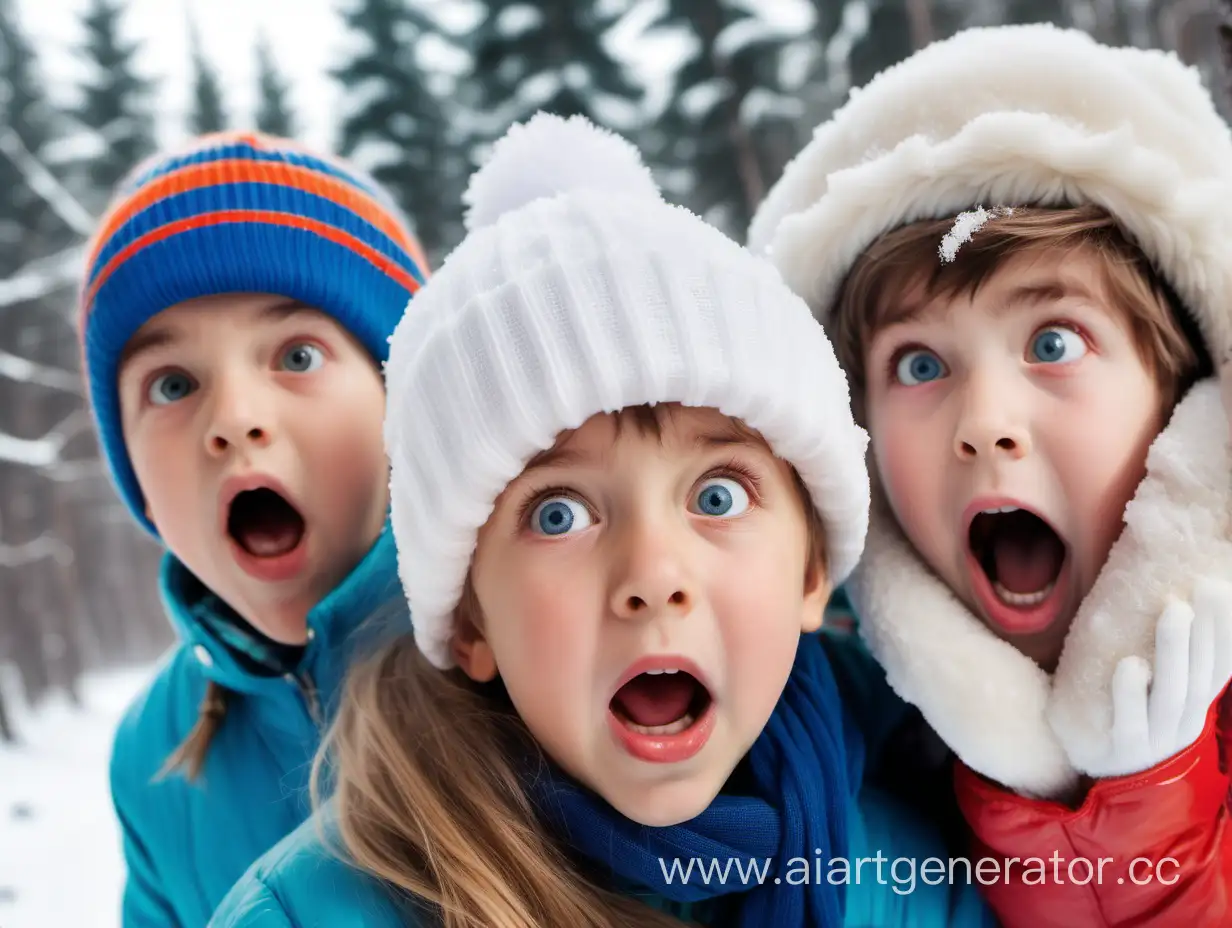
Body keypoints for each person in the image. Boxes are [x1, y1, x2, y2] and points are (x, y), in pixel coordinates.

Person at [209, 113, 996, 928]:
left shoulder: (912, 882)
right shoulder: (303, 914)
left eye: (717, 496)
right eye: (558, 514)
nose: (653, 576)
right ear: (471, 619)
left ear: (808, 572)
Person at [748, 23, 1232, 925]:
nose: (984, 426)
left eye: (1053, 343)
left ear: (1185, 409)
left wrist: (1148, 817)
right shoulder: (854, 745)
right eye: (920, 366)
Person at [80, 130, 429, 927]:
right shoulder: (154, 758)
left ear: (402, 398)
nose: (234, 420)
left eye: (297, 356)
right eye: (173, 383)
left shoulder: (539, 643)